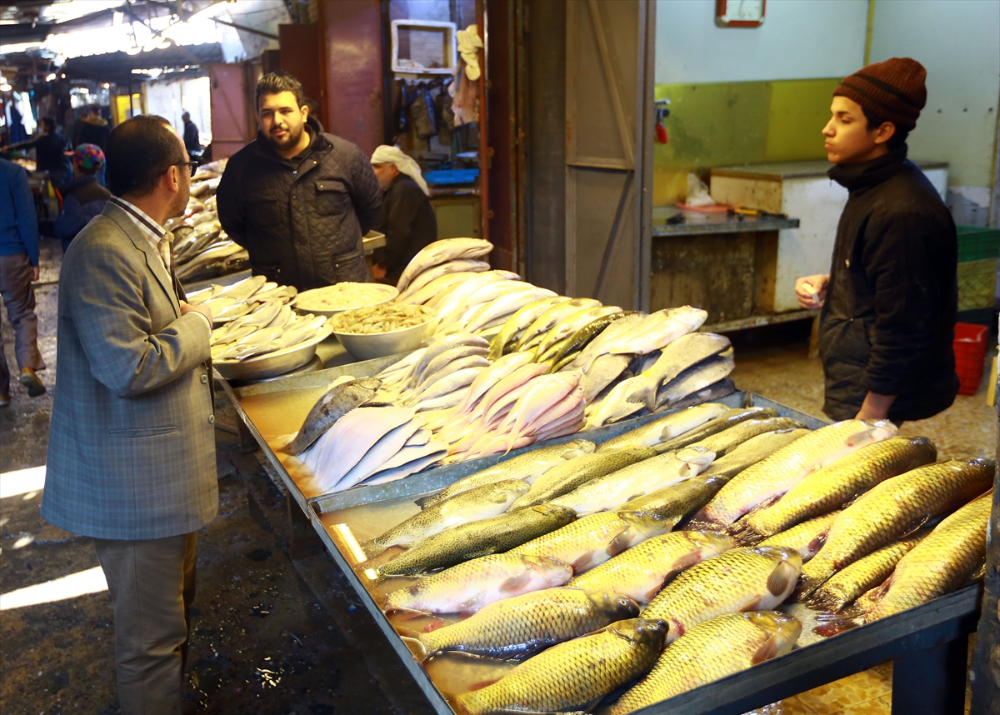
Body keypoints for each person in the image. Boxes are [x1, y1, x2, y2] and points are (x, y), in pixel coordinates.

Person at [41, 115, 216, 715]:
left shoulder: (141, 236)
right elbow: (128, 368)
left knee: (170, 622)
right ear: (173, 176)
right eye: (188, 169)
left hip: (161, 480)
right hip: (132, 488)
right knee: (149, 643)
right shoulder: (104, 249)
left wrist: (177, 317)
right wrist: (196, 327)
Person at [795, 57, 959, 423]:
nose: (827, 129)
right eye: (832, 116)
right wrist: (837, 282)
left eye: (844, 119)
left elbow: (905, 322)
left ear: (883, 131)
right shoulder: (873, 182)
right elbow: (885, 276)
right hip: (858, 373)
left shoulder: (901, 211)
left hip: (876, 392)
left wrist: (870, 418)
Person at [216, 71, 382, 290]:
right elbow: (232, 222)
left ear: (304, 113)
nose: (277, 121)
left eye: (285, 111)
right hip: (279, 296)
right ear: (257, 116)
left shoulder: (345, 156)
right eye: (267, 113)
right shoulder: (241, 167)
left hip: (344, 290)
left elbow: (370, 209)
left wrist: (337, 253)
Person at [0, 157, 46, 405]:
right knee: (21, 315)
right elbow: (27, 218)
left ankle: (1, 392)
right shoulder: (13, 173)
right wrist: (34, 258)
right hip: (11, 256)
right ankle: (27, 366)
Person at [369, 145, 437, 285]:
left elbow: (399, 232)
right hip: (402, 263)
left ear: (392, 169)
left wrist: (383, 264)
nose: (372, 172)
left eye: (377, 167)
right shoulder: (397, 188)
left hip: (408, 268)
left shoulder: (404, 189)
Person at [53, 144, 111, 252]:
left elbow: (65, 228)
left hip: (80, 258)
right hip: (104, 254)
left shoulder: (74, 197)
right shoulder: (107, 195)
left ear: (75, 165)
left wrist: (41, 226)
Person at [8, 117, 73, 191]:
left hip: (50, 173)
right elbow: (70, 153)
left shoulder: (42, 140)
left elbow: (27, 144)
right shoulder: (64, 138)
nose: (41, 127)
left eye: (42, 125)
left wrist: (8, 149)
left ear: (47, 127)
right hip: (66, 170)